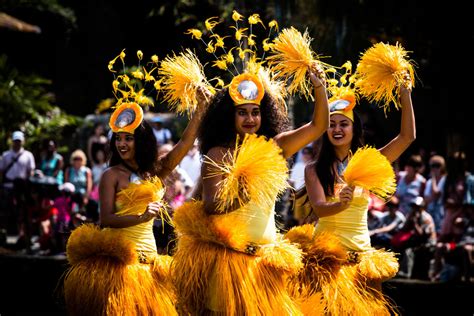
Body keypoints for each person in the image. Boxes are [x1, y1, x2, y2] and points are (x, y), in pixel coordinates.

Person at [171, 15, 329, 313]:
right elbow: (210, 206)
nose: (249, 119)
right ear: (229, 116)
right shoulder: (219, 153)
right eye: (242, 112)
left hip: (265, 263)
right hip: (229, 261)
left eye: (255, 112)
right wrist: (243, 192)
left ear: (264, 114)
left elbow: (318, 126)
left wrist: (318, 87)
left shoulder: (275, 147)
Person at [63, 78, 208, 314]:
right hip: (121, 266)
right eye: (118, 138)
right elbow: (107, 219)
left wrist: (201, 108)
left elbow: (184, 143)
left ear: (140, 140)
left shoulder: (156, 171)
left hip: (149, 263)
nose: (122, 143)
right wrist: (141, 216)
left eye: (128, 138)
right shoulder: (112, 175)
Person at [289, 54, 415, 314]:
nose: (337, 129)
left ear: (354, 129)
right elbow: (320, 208)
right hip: (328, 261)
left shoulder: (368, 162)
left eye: (343, 124)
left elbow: (407, 137)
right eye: (332, 124)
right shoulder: (314, 169)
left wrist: (405, 94)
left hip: (361, 260)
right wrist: (340, 203)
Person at [0, 131, 36, 250]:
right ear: (12, 141)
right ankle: (7, 239)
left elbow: (30, 172)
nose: (17, 143)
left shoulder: (28, 155)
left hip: (22, 189)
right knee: (8, 214)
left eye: (19, 141)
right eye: (15, 141)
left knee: (23, 214)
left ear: (22, 141)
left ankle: (24, 239)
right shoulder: (5, 155)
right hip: (8, 188)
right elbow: (1, 172)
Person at [423, 154, 447, 233]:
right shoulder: (429, 182)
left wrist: (433, 176)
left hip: (442, 215)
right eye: (433, 165)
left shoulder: (445, 180)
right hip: (430, 214)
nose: (435, 168)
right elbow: (426, 199)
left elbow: (436, 193)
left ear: (442, 166)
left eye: (438, 165)